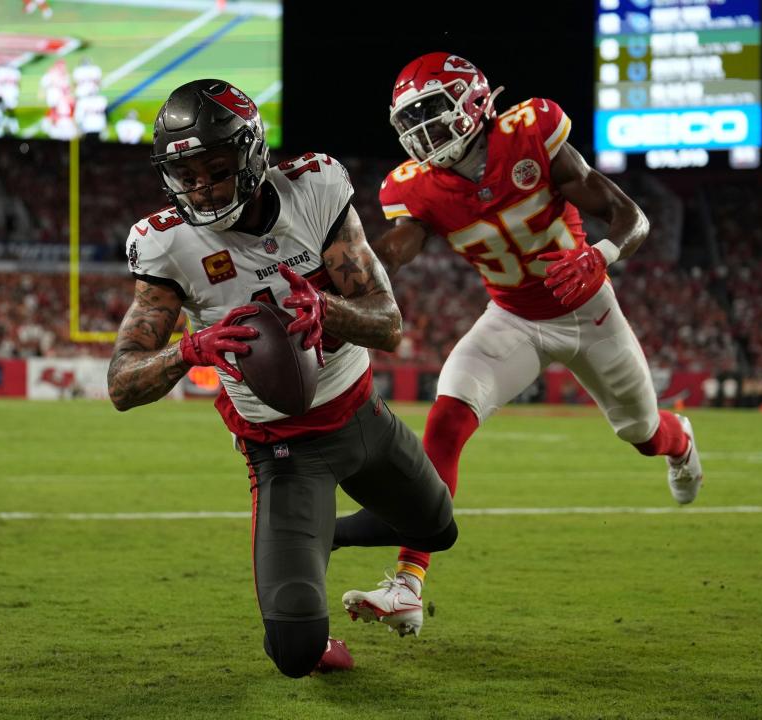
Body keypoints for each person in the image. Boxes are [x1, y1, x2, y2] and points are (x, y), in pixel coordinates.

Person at [339, 52, 704, 638]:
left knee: (641, 432)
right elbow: (397, 250)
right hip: (511, 318)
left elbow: (628, 215)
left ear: (474, 102)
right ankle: (408, 583)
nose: (423, 130)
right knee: (447, 420)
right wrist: (347, 278)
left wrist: (601, 255)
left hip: (591, 311)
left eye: (432, 111)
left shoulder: (531, 131)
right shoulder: (417, 187)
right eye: (412, 118)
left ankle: (678, 439)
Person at [107, 79, 458, 678]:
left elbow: (387, 322)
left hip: (363, 415)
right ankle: (306, 559)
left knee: (437, 528)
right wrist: (191, 348)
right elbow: (121, 383)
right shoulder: (166, 244)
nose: (200, 187)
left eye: (214, 168)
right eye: (185, 173)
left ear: (249, 155)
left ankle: (329, 534)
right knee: (295, 654)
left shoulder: (314, 187)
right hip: (285, 452)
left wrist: (330, 311)